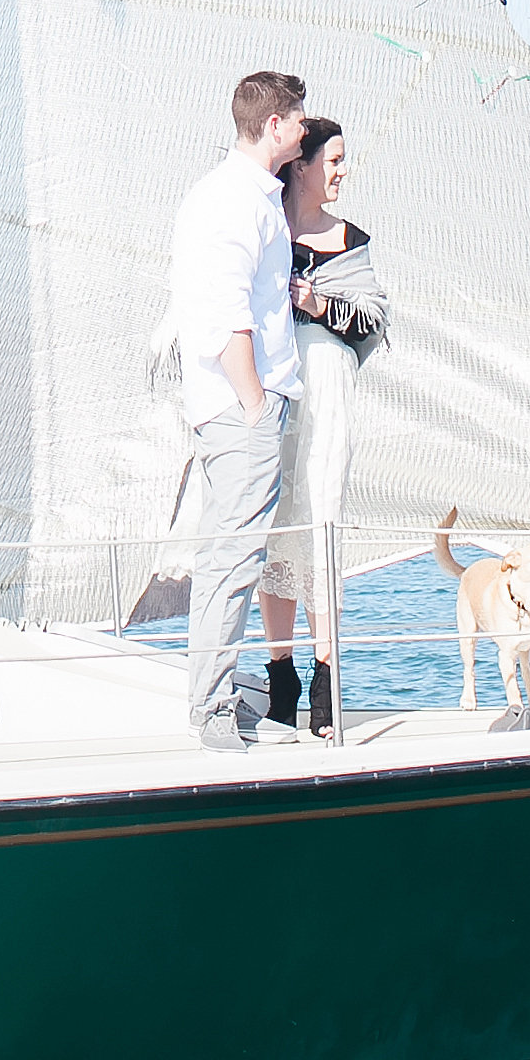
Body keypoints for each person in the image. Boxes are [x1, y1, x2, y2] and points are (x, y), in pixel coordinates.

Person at [170, 68, 310, 751]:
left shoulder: (244, 195)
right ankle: (214, 711)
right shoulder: (236, 200)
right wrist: (255, 402)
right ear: (273, 125)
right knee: (233, 557)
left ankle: (213, 698)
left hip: (237, 403)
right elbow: (226, 313)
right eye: (297, 118)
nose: (305, 128)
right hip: (239, 406)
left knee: (231, 555)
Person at [259, 117, 389, 740]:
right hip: (273, 400)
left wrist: (316, 303)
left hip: (327, 402)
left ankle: (327, 674)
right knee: (275, 533)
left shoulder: (351, 241)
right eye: (333, 160)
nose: (342, 172)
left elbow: (371, 324)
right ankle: (280, 676)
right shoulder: (262, 226)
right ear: (302, 165)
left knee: (321, 522)